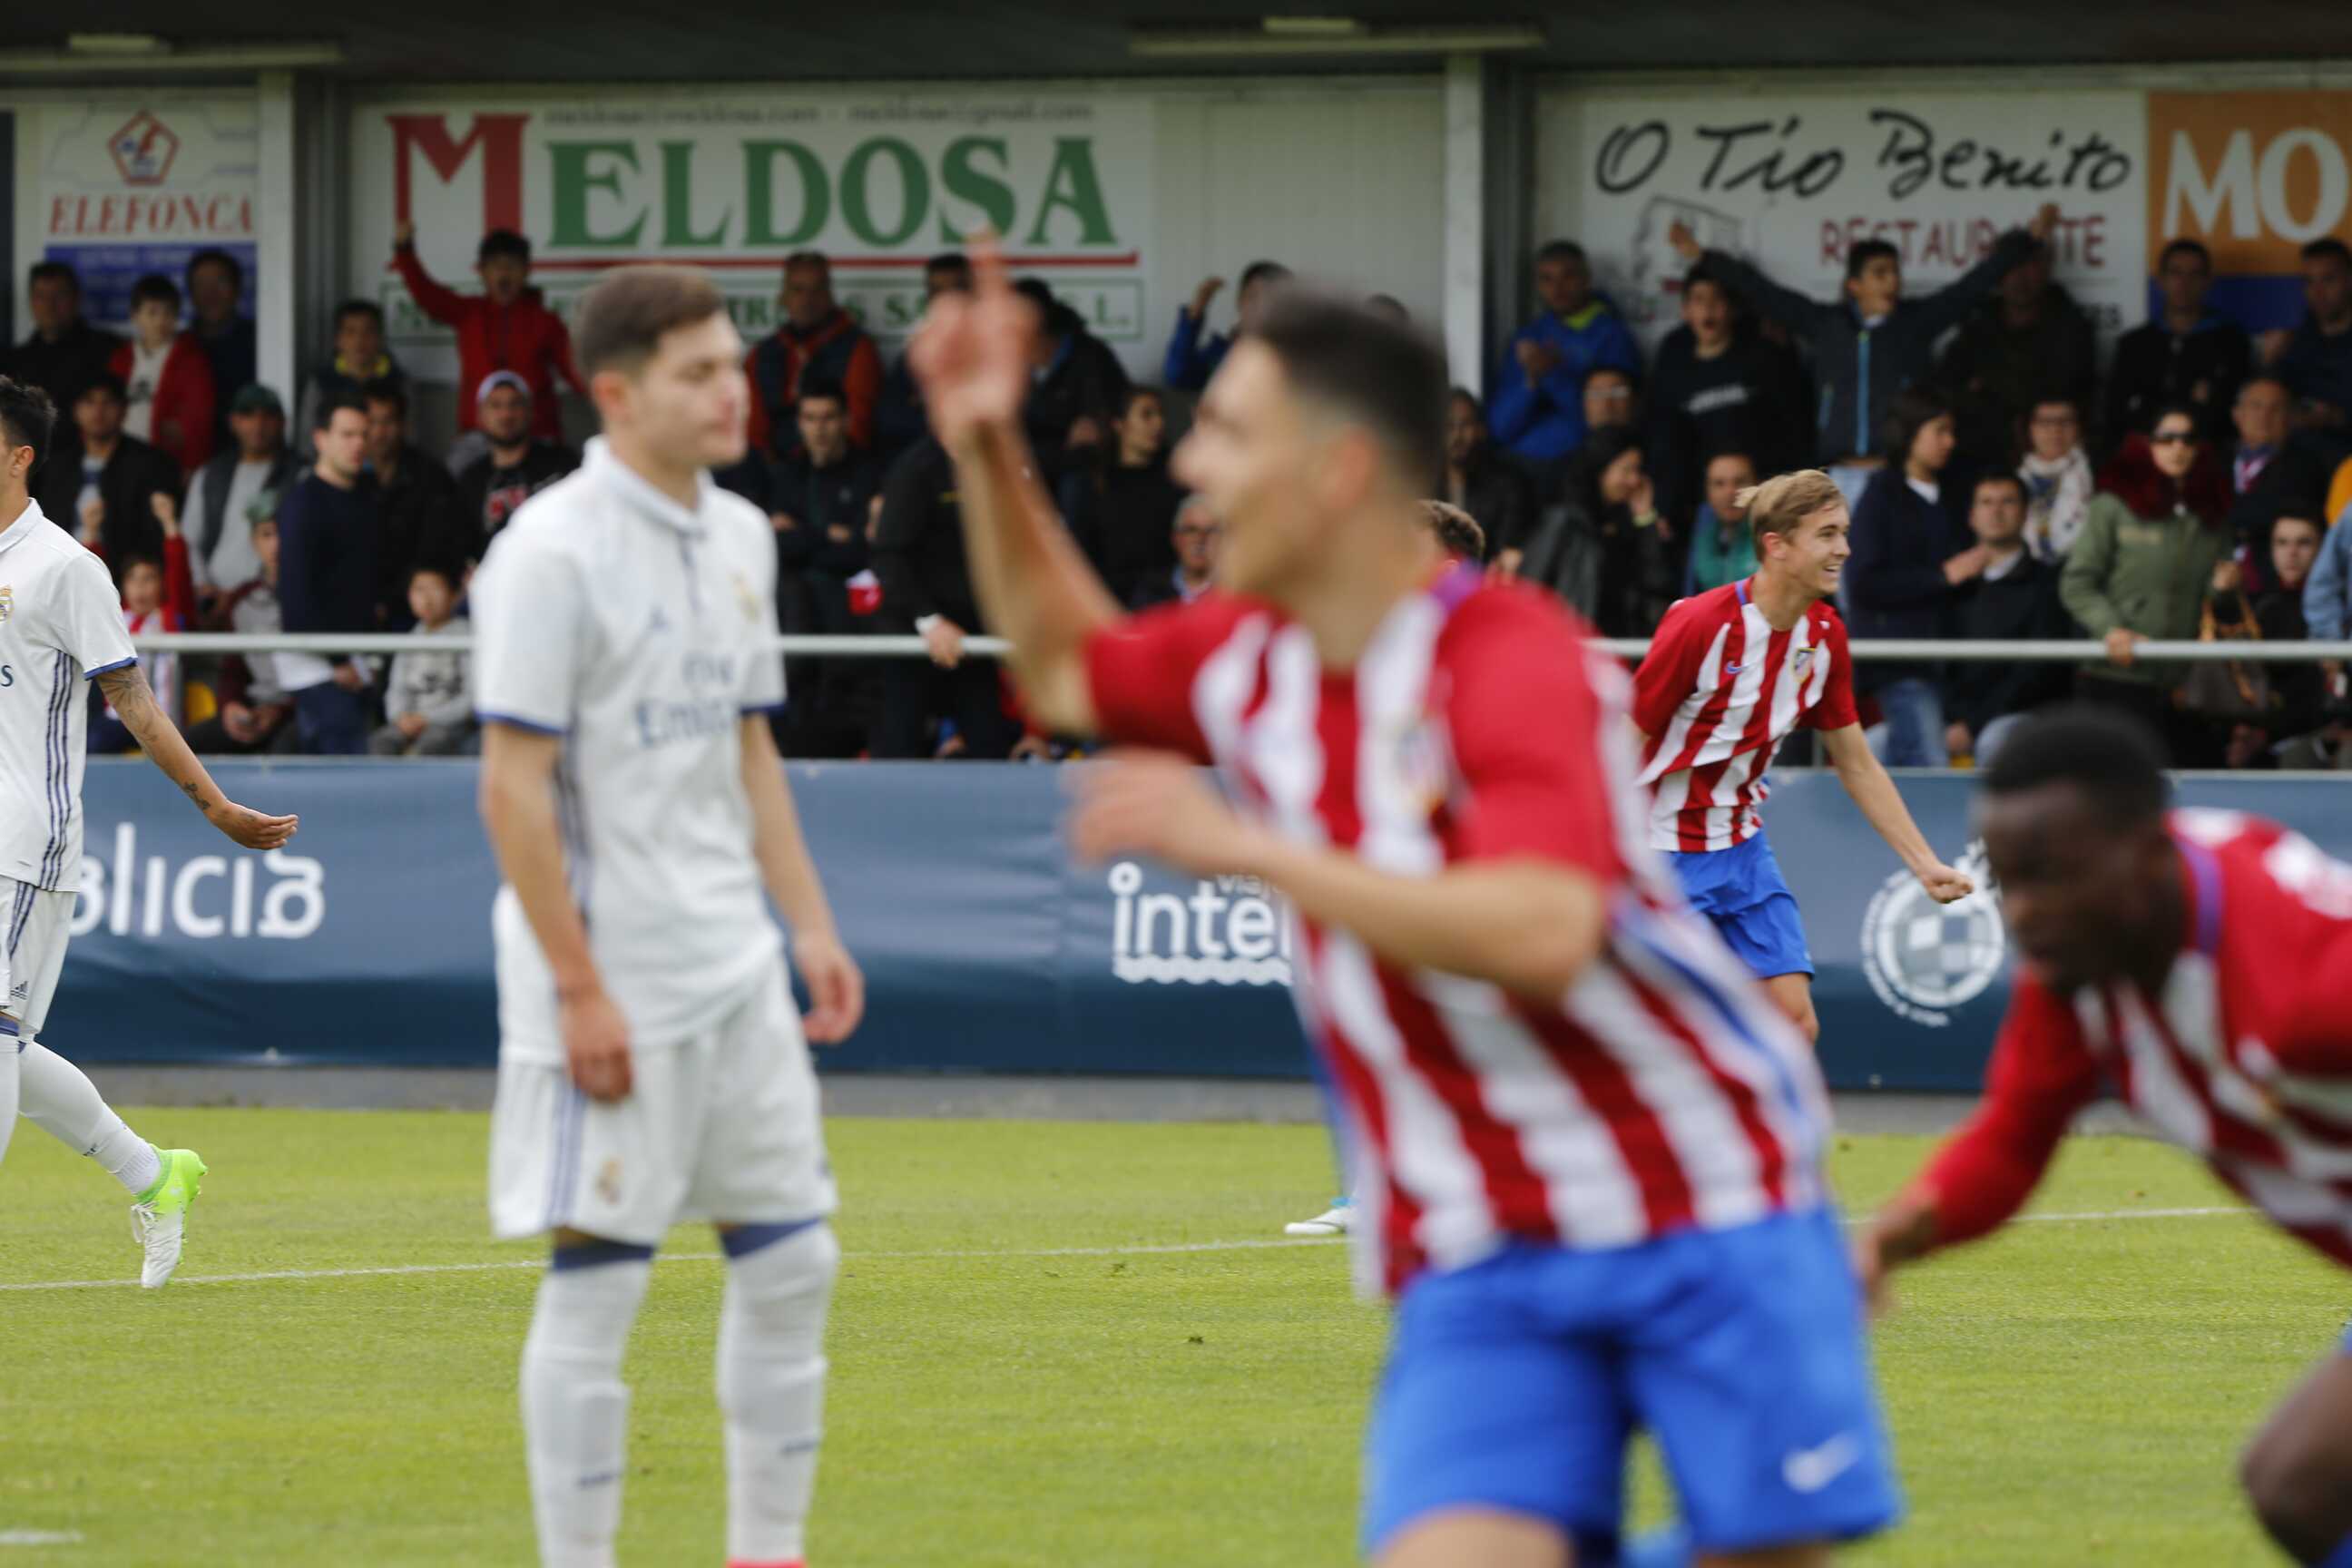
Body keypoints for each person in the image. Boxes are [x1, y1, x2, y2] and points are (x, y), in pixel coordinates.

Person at [914, 247, 1900, 1568]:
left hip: (1700, 1191)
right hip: (1481, 1240)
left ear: (1336, 473)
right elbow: (1066, 665)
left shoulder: (1512, 656)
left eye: (1229, 433)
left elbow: (1542, 932)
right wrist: (986, 444)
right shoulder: (1244, 655)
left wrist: (1256, 851)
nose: (1194, 465)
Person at [471, 264, 862, 1568]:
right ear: (619, 394)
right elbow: (511, 789)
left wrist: (809, 927)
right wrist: (580, 987)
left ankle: (769, 1552)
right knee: (602, 1283)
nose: (731, 391)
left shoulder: (742, 533)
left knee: (795, 1264)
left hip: (735, 967)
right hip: (612, 977)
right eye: (698, 373)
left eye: (733, 365)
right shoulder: (550, 552)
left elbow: (748, 750)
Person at [1854, 708, 2352, 1568]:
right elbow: (2012, 1139)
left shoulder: (2308, 989)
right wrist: (1882, 1245)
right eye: (2010, 881)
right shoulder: (2086, 970)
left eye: (2052, 877)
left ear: (2147, 854)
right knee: (2299, 1490)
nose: (2027, 914)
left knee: (2303, 1483)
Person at [0, 375, 296, 1284]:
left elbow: (132, 700)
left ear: (17, 458)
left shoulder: (64, 568)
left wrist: (216, 805)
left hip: (22, 840)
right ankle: (155, 1174)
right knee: (8, 1046)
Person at [1634, 466, 1975, 1046]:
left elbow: (1857, 764)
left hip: (1743, 850)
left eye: (1844, 533)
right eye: (1827, 534)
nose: (1844, 549)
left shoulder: (1825, 636)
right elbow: (1621, 738)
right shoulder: (1700, 623)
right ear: (1777, 545)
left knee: (1794, 1025)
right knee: (1674, 1037)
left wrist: (1924, 864)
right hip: (1659, 854)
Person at [1669, 204, 2057, 505]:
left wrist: (2027, 241)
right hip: (1838, 477)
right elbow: (1763, 292)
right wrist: (1702, 257)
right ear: (1854, 285)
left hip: (1899, 473)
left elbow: (1972, 286)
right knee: (1842, 578)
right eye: (1880, 273)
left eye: (1895, 272)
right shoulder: (1826, 326)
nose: (1892, 281)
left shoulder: (1916, 323)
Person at [2061, 406, 2233, 763]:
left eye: (2187, 439)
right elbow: (2077, 582)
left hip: (2185, 683)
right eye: (2166, 438)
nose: (2178, 448)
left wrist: (2223, 588)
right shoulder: (2112, 505)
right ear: (2145, 444)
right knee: (2117, 785)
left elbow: (2212, 607)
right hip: (2115, 676)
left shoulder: (2211, 513)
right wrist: (2110, 629)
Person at [1847, 387, 1981, 767]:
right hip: (1901, 664)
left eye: (1952, 431)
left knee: (1904, 752)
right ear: (1910, 433)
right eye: (1939, 431)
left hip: (1955, 666)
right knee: (1929, 765)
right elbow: (1863, 582)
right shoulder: (1881, 495)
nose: (1949, 442)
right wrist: (1941, 577)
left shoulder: (1959, 491)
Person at [869, 435, 1020, 760]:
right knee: (900, 754)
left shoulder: (997, 462)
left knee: (990, 750)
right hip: (913, 637)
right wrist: (930, 621)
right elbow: (889, 558)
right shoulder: (916, 469)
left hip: (972, 637)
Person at [392, 221, 584, 456]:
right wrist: (405, 251)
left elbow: (575, 372)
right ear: (482, 272)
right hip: (477, 437)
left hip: (536, 435)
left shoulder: (546, 322)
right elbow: (427, 294)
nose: (504, 274)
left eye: (512, 266)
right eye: (495, 266)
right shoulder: (468, 313)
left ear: (526, 271)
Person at [1645, 264, 1806, 528]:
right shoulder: (1674, 364)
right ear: (1685, 311)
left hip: (1764, 498)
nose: (1708, 309)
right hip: (1701, 504)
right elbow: (1666, 440)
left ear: (1731, 308)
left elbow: (1792, 428)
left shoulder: (1762, 356)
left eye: (1717, 299)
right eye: (1698, 300)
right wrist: (1666, 502)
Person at [771, 387, 883, 760]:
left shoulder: (870, 473)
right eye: (810, 419)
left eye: (828, 418)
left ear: (847, 421)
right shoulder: (787, 475)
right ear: (799, 424)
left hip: (851, 614)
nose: (819, 429)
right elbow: (775, 546)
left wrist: (802, 536)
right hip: (796, 615)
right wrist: (827, 535)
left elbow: (861, 551)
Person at [275, 395, 385, 755]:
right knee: (342, 775)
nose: (358, 444)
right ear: (320, 439)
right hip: (321, 670)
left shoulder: (366, 498)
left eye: (364, 435)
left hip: (357, 664)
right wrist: (339, 660)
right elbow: (296, 597)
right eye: (347, 434)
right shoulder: (303, 504)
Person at [1944, 474, 2078, 767]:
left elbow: (2037, 673)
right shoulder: (1950, 583)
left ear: (2025, 513)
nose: (1996, 511)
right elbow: (1935, 665)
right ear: (1971, 516)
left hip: (2020, 718)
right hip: (1951, 719)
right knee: (1877, 741)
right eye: (1986, 502)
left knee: (1994, 740)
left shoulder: (2049, 584)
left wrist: (1973, 725)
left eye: (2007, 502)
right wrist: (1949, 719)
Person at [1936, 239, 2098, 469]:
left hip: (2052, 456)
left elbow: (2067, 389)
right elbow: (1949, 387)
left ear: (2046, 270)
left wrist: (1989, 383)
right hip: (1981, 453)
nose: (2020, 277)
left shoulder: (2070, 326)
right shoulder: (1979, 324)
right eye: (2010, 267)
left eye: (2029, 265)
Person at [1486, 240, 1640, 472]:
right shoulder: (1528, 337)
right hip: (1519, 466)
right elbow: (1499, 428)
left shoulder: (1612, 336)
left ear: (1586, 278)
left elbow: (1607, 422)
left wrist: (1551, 375)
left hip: (1584, 466)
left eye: (1568, 276)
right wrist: (1530, 382)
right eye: (1547, 279)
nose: (1558, 288)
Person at [1527, 425, 1674, 637]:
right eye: (1626, 470)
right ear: (1600, 469)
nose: (1634, 480)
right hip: (1571, 646)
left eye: (1637, 470)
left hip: (1621, 647)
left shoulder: (1631, 525)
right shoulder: (1565, 522)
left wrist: (1645, 521)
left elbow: (1657, 588)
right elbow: (1529, 588)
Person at [33, 376, 180, 583]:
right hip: (60, 577)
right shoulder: (56, 466)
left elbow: (153, 538)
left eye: (108, 402)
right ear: (75, 410)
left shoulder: (150, 464)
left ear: (124, 410)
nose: (98, 411)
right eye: (89, 402)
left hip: (128, 584)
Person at [2104, 239, 2250, 448]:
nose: (2184, 283)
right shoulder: (2134, 345)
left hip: (2209, 455)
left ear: (2208, 281)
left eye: (2194, 274)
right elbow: (2115, 415)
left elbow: (2237, 415)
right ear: (2161, 280)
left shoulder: (2232, 342)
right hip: (2143, 454)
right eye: (2176, 273)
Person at [183, 500, 298, 757]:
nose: (276, 544)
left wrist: (280, 712)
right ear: (254, 541)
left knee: (285, 751)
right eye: (267, 534)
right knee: (186, 747)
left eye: (283, 532)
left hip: (301, 712)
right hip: (254, 708)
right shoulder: (241, 600)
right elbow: (233, 668)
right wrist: (230, 706)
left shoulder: (313, 595)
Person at [746, 252, 884, 461]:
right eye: (798, 290)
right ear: (783, 296)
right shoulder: (763, 353)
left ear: (830, 294)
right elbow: (753, 432)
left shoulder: (857, 348)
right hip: (773, 469)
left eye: (817, 290)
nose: (807, 300)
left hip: (837, 466)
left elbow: (858, 429)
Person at [362, 377, 462, 622]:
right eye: (371, 422)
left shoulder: (430, 476)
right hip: (360, 605)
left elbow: (438, 549)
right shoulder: (348, 477)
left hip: (417, 608)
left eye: (388, 421)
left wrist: (395, 599)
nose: (379, 432)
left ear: (403, 425)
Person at [184, 384, 295, 604]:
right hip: (215, 601)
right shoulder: (210, 474)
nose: (258, 424)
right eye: (248, 415)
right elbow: (189, 539)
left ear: (283, 422)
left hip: (274, 600)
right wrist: (204, 587)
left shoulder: (300, 475)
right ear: (233, 422)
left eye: (267, 416)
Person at [454, 373, 580, 562]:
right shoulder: (470, 480)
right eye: (496, 405)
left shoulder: (563, 463)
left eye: (515, 404)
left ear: (530, 411)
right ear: (480, 416)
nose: (506, 414)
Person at [1081, 385, 1187, 608]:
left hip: (1166, 602)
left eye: (1160, 415)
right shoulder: (1096, 484)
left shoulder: (1177, 480)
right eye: (1147, 415)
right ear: (1119, 424)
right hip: (1109, 602)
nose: (1158, 423)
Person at [111, 273, 216, 478]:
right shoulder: (120, 359)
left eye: (169, 313)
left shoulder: (191, 360)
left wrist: (191, 465)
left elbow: (199, 421)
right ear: (135, 316)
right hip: (122, 459)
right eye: (152, 312)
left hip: (168, 461)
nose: (161, 320)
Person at [87, 550, 190, 754]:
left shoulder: (168, 619)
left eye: (148, 579)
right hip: (119, 718)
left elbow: (180, 581)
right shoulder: (117, 618)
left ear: (162, 584)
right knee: (89, 741)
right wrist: (91, 538)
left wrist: (172, 534)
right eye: (132, 579)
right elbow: (91, 586)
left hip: (161, 719)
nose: (139, 587)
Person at [875, 251, 973, 461]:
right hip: (930, 462)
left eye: (955, 290)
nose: (945, 301)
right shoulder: (916, 352)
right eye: (937, 291)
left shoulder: (999, 349)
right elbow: (890, 419)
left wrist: (928, 405)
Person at [369, 564, 475, 757]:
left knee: (433, 744)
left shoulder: (467, 637)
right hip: (409, 723)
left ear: (454, 595)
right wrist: (401, 718)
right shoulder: (410, 639)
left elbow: (471, 698)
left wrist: (427, 719)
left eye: (435, 589)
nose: (426, 598)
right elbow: (396, 690)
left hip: (450, 726)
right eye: (419, 589)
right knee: (382, 742)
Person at [5, 261, 118, 414]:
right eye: (41, 296)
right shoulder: (13, 362)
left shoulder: (108, 351)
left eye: (59, 295)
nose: (49, 305)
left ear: (76, 298)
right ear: (31, 301)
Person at [1163, 260, 1289, 393]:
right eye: (1254, 297)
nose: (1261, 307)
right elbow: (1177, 375)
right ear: (1240, 300)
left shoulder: (1293, 359)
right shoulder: (1220, 354)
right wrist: (1195, 312)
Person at [2267, 237, 2352, 432]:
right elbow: (2268, 406)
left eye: (2328, 279)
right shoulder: (2292, 343)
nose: (2318, 291)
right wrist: (2268, 363)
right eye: (2309, 281)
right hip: (2301, 446)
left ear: (2349, 280)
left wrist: (2337, 417)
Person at [297, 300, 405, 452]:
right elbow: (307, 440)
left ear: (380, 338)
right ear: (338, 339)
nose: (359, 340)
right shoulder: (321, 381)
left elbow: (409, 437)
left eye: (368, 332)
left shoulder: (399, 380)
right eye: (350, 332)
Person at [1441, 389, 1529, 569]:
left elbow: (1506, 552)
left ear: (1481, 430)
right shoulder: (1423, 482)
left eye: (1465, 425)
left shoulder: (1507, 484)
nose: (1457, 436)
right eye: (1449, 426)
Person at [184, 249, 255, 449]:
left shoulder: (259, 341)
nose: (211, 293)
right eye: (201, 285)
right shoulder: (180, 346)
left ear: (237, 289)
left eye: (220, 282)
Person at [2016, 396, 2095, 563]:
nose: (2055, 430)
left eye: (2065, 422)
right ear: (2030, 428)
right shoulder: (2014, 480)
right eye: (2045, 422)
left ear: (2078, 428)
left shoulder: (2098, 478)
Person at [1683, 450, 1760, 594]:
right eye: (1719, 484)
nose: (1730, 492)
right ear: (1707, 491)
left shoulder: (1772, 536)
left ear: (1757, 485)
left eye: (1740, 482)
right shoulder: (1701, 533)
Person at [1130, 495, 1220, 608]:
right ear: (1176, 538)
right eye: (1191, 530)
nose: (1200, 539)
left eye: (1210, 531)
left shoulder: (1235, 593)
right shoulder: (1150, 591)